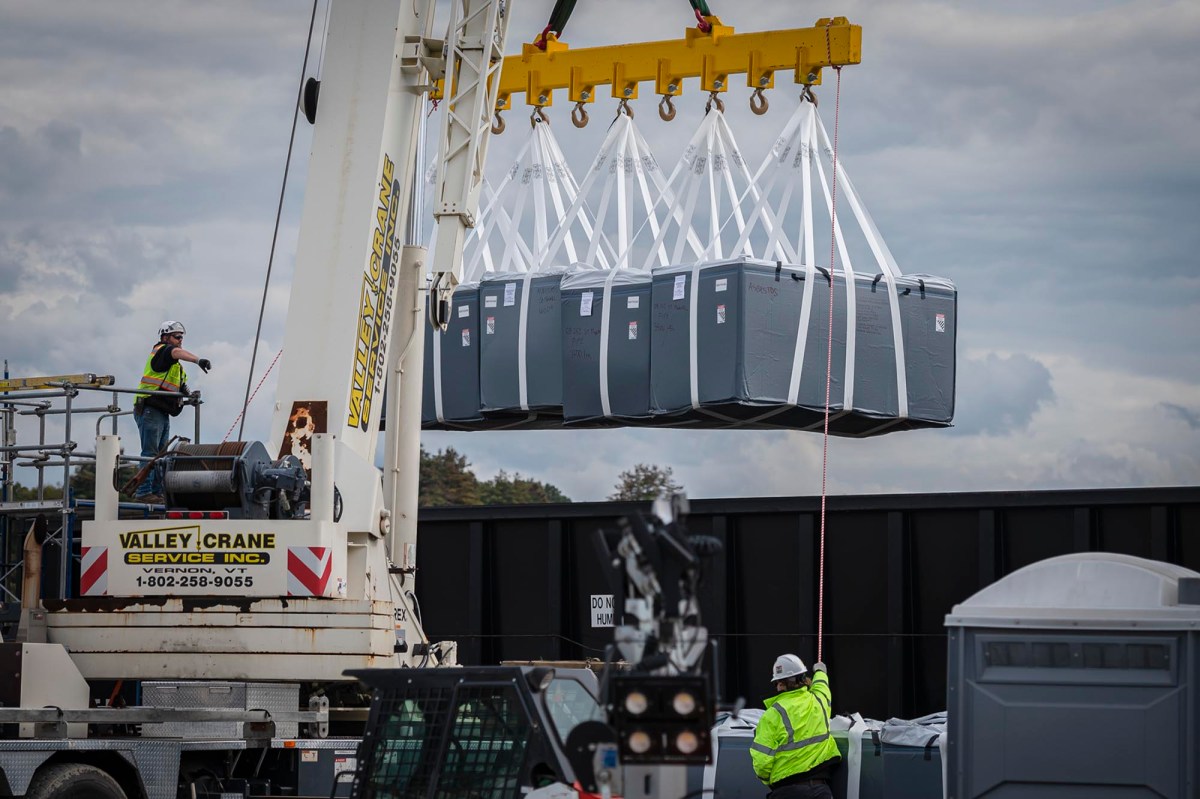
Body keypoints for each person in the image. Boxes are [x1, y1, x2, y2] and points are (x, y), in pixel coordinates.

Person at [133, 320, 211, 504]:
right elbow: (176, 352)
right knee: (151, 452)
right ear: (165, 337)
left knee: (161, 454)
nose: (180, 340)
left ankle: (157, 493)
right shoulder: (163, 351)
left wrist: (189, 395)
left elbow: (181, 384)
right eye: (177, 337)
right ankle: (143, 492)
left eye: (181, 337)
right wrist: (198, 360)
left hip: (160, 410)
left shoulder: (175, 366)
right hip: (150, 409)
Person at [750, 655, 840, 798]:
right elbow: (822, 686)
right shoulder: (818, 701)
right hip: (820, 790)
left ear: (779, 684)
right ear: (803, 678)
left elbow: (761, 764)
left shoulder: (773, 715)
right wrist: (820, 672)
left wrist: (770, 781)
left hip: (786, 792)